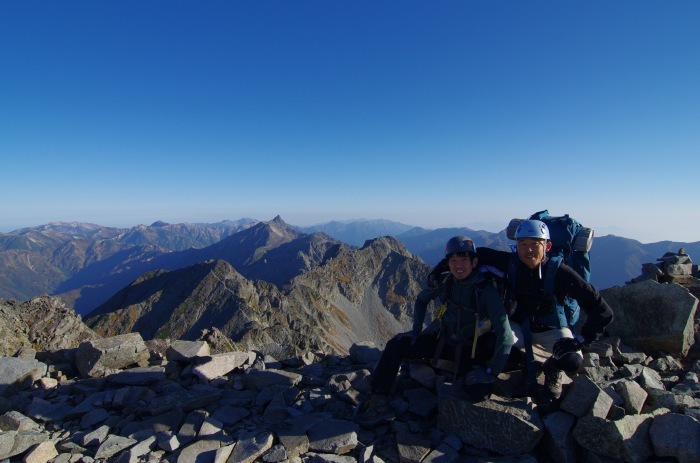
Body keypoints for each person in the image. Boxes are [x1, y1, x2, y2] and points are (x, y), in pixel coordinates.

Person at [355, 236, 515, 427]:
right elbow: (422, 301)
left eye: (464, 260)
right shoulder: (446, 282)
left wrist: (491, 372)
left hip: (472, 351)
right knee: (396, 345)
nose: (459, 265)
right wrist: (415, 331)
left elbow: (505, 334)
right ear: (447, 264)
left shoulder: (486, 291)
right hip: (443, 342)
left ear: (474, 262)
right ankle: (378, 399)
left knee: (478, 390)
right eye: (453, 261)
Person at [462, 220, 614, 407]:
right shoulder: (511, 263)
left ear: (547, 246)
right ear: (516, 246)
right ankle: (527, 364)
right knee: (489, 344)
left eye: (535, 244)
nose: (528, 250)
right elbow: (477, 254)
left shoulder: (560, 273)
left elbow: (603, 310)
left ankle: (552, 368)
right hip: (518, 324)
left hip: (552, 328)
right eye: (523, 244)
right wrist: (438, 272)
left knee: (572, 361)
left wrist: (580, 340)